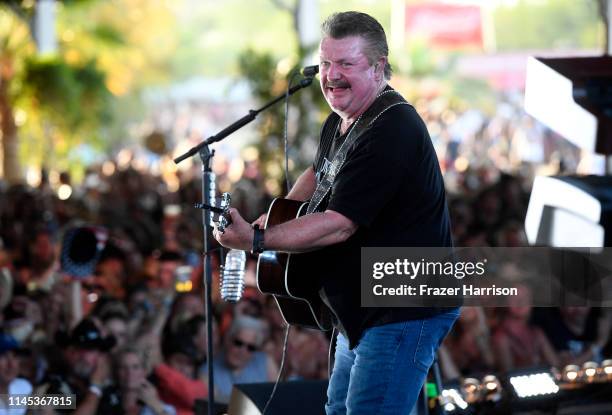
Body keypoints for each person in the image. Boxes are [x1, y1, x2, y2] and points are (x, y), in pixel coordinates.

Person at [214, 11, 459, 414]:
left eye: (346, 63)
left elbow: (339, 224)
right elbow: (318, 172)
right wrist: (280, 217)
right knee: (339, 409)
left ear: (379, 68)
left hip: (401, 306)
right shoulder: (342, 119)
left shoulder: (392, 128)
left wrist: (258, 240)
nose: (331, 75)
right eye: (326, 63)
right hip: (362, 306)